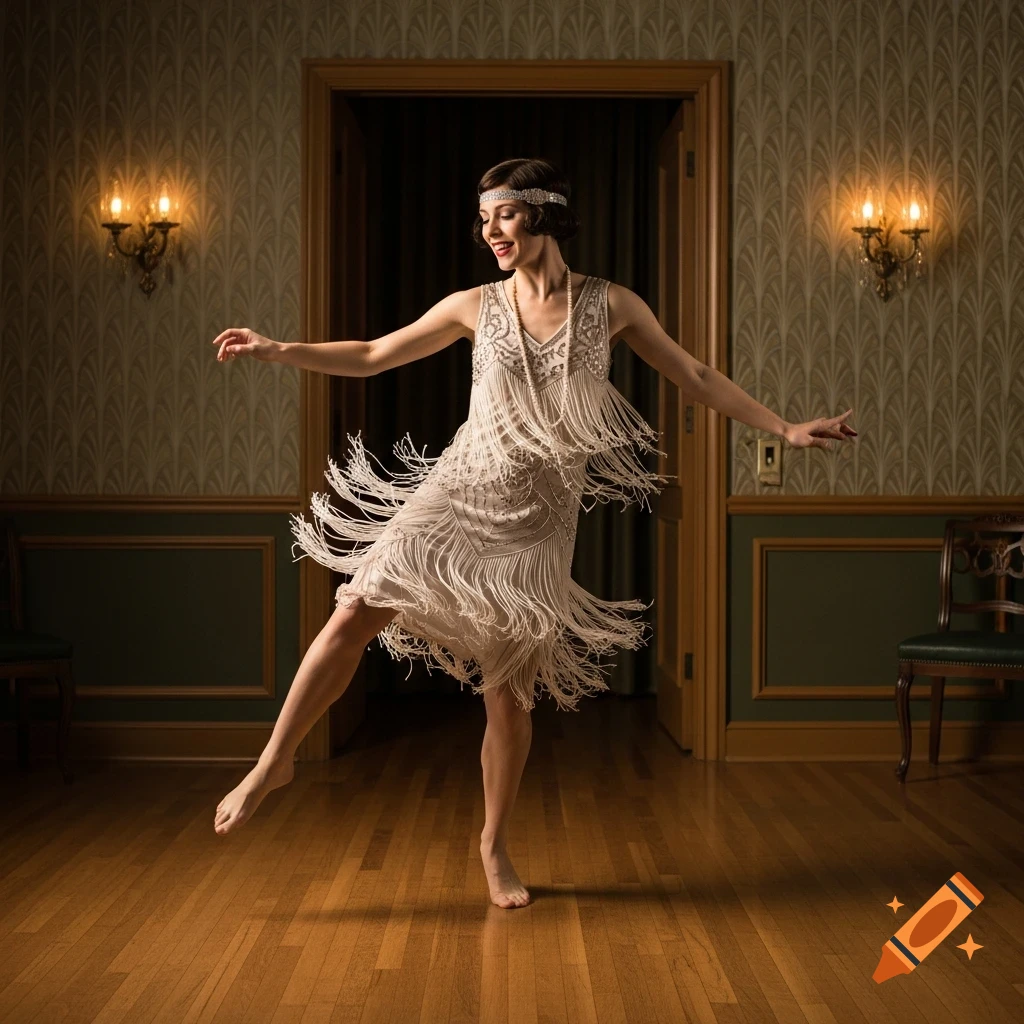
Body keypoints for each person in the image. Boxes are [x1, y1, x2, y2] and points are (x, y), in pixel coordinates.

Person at [209, 158, 857, 908]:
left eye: (504, 216)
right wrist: (278, 349)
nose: (490, 233)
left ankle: (492, 843)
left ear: (545, 213)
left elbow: (696, 376)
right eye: (482, 221)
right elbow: (374, 355)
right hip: (459, 492)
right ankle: (273, 761)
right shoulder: (471, 306)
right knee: (354, 607)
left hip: (539, 524)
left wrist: (784, 427)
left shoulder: (611, 305)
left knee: (508, 699)